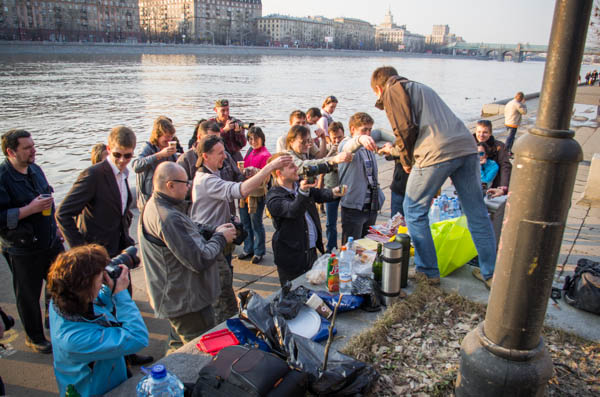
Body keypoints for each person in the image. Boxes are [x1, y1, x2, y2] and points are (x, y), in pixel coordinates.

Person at [371, 66, 496, 289]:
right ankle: (491, 274)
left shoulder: (392, 89)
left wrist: (407, 161)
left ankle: (427, 272)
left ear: (378, 88)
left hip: (437, 151)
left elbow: (405, 129)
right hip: (466, 147)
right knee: (476, 212)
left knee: (413, 210)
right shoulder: (419, 87)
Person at [190, 135, 293, 322]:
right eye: (220, 153)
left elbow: (232, 187)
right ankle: (225, 329)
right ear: (205, 156)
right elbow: (239, 191)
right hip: (209, 241)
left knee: (225, 283)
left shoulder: (213, 173)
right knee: (224, 297)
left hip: (218, 236)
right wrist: (269, 168)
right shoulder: (205, 179)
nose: (225, 157)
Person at [138, 162, 236, 353]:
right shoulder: (167, 217)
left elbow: (189, 231)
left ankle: (171, 369)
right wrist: (220, 238)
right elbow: (199, 259)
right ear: (170, 185)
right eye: (185, 182)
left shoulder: (159, 205)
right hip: (186, 300)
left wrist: (211, 231)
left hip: (177, 297)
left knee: (178, 343)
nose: (189, 186)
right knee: (199, 347)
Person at [48, 244, 149, 396]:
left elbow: (100, 306)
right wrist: (120, 293)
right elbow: (138, 337)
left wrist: (109, 289)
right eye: (99, 277)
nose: (103, 277)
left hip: (107, 376)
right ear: (86, 287)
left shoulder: (64, 298)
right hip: (94, 390)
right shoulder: (74, 339)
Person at [0, 129, 63, 354]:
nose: (33, 151)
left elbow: (49, 200)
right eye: (27, 148)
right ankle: (34, 337)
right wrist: (29, 209)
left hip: (48, 241)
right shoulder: (2, 177)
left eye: (33, 146)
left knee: (59, 284)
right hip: (22, 248)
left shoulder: (35, 169)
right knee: (28, 294)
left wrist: (56, 229)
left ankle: (55, 322)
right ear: (10, 151)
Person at [266, 153, 345, 286]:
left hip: (310, 250)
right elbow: (293, 210)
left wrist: (333, 192)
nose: (297, 168)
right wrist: (303, 192)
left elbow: (317, 194)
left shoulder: (297, 185)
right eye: (291, 167)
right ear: (279, 173)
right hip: (292, 256)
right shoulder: (274, 197)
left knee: (312, 288)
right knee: (293, 293)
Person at [337, 112, 386, 243]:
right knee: (350, 248)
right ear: (353, 129)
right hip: (354, 208)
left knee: (367, 247)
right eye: (364, 130)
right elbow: (348, 148)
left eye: (370, 130)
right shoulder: (345, 143)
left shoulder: (368, 143)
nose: (368, 133)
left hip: (371, 205)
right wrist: (360, 139)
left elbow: (381, 133)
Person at [237, 127, 271, 264]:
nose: (253, 141)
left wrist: (255, 171)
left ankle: (259, 251)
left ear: (262, 138)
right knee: (245, 222)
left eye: (256, 138)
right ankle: (248, 247)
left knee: (256, 222)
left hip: (256, 193)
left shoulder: (265, 155)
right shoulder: (250, 151)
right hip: (245, 191)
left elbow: (266, 176)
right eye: (250, 139)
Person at [132, 116, 179, 211]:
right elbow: (136, 165)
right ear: (158, 135)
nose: (169, 140)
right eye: (166, 137)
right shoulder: (148, 148)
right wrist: (159, 155)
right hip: (148, 198)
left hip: (165, 197)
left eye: (171, 136)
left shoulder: (170, 148)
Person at [285, 124, 352, 170]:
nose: (306, 144)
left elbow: (319, 158)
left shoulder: (302, 153)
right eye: (303, 142)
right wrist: (333, 159)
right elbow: (303, 166)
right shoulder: (287, 156)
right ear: (291, 142)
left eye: (308, 141)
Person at [322, 122, 345, 252]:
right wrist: (333, 149)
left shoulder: (348, 147)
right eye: (334, 138)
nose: (337, 141)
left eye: (339, 137)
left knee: (347, 220)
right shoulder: (326, 148)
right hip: (331, 188)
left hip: (345, 187)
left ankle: (346, 246)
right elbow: (324, 162)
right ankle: (331, 247)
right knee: (330, 222)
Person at [474, 119, 511, 197]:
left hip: (491, 182)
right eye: (479, 132)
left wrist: (503, 187)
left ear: (490, 133)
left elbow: (505, 166)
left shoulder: (499, 146)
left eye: (485, 132)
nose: (481, 135)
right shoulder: (469, 144)